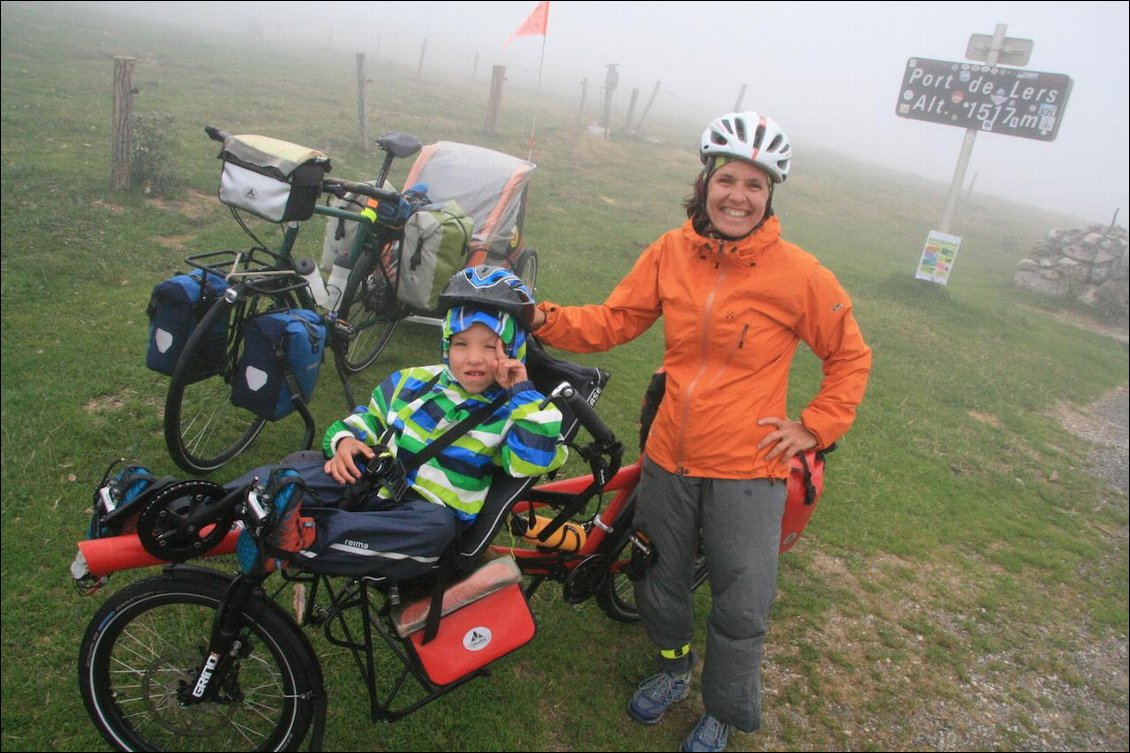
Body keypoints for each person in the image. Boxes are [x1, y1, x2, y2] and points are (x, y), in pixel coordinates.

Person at [529, 112, 872, 752]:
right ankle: (672, 668)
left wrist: (814, 427)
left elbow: (850, 355)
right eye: (728, 179)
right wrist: (537, 316)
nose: (738, 196)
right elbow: (613, 321)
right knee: (657, 581)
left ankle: (723, 709)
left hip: (750, 468)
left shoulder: (798, 273)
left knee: (742, 605)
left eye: (756, 185)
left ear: (771, 197)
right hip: (669, 456)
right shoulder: (670, 251)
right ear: (706, 180)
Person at [229, 265, 568, 579]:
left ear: (513, 350)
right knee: (292, 474)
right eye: (461, 344)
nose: (474, 358)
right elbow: (370, 416)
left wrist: (522, 392)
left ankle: (301, 536)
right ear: (446, 345)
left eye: (490, 346)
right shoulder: (414, 380)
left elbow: (528, 461)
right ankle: (201, 507)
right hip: (370, 478)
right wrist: (345, 441)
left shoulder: (519, 410)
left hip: (419, 514)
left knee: (435, 530)